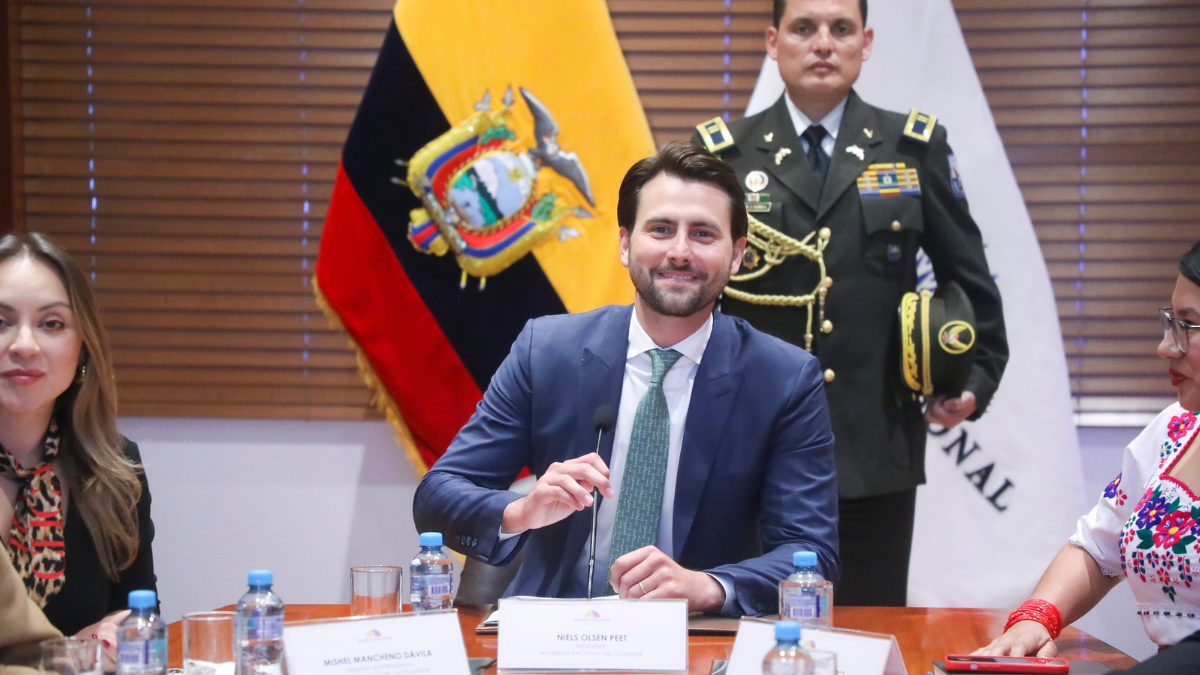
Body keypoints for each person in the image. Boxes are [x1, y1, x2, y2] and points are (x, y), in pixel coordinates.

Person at [413, 141, 839, 617]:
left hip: (694, 637)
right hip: (555, 629)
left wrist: (708, 587)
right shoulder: (548, 351)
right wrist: (521, 511)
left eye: (703, 234)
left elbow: (811, 553)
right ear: (624, 243)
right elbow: (438, 493)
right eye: (660, 229)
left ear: (736, 255)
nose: (679, 252)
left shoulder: (782, 379)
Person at [690, 0, 1007, 606]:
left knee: (869, 624)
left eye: (840, 30)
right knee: (745, 619)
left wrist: (976, 377)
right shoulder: (725, 157)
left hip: (874, 442)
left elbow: (969, 277)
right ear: (772, 41)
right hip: (747, 441)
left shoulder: (911, 147)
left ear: (866, 42)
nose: (822, 44)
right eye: (803, 29)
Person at [976, 241, 1200, 656]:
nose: (1167, 347)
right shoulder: (1174, 429)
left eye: (1189, 326)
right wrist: (1035, 619)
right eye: (1171, 322)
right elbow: (1098, 548)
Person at [0, 232, 156, 662]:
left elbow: (140, 611)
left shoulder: (116, 469)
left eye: (52, 324)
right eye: (1, 321)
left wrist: (117, 633)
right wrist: (64, 655)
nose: (24, 345)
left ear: (82, 348)